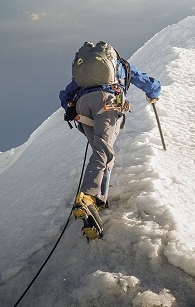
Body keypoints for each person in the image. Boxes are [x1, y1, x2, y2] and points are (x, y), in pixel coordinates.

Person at [59, 41, 161, 221]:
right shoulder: (120, 65)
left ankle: (99, 199)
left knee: (103, 152)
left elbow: (66, 94)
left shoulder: (83, 72)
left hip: (83, 108)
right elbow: (147, 82)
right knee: (103, 151)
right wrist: (153, 94)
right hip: (107, 103)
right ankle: (88, 196)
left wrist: (71, 107)